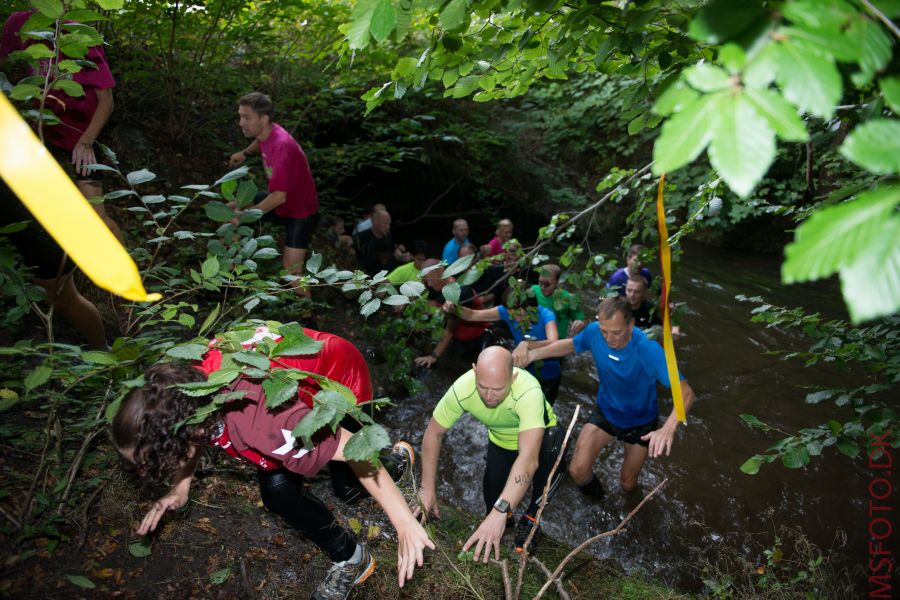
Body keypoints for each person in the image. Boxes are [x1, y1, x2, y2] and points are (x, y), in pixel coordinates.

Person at [112, 326, 434, 599]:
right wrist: (180, 486)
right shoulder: (185, 384)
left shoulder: (259, 420)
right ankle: (352, 558)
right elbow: (190, 430)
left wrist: (403, 521)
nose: (147, 472)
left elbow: (356, 447)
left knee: (346, 487)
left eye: (154, 462)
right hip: (295, 383)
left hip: (339, 381)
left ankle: (395, 460)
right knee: (278, 492)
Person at [514, 297, 695, 497]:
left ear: (631, 324)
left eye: (616, 332)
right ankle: (601, 503)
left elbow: (686, 393)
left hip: (640, 422)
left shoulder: (648, 349)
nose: (609, 339)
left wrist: (667, 429)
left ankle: (632, 511)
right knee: (577, 471)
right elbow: (571, 345)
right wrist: (532, 353)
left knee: (627, 484)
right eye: (604, 331)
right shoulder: (593, 331)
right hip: (607, 411)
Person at [415, 347, 565, 558]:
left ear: (512, 378)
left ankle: (532, 519)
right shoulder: (463, 388)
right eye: (482, 387)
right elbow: (433, 434)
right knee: (492, 500)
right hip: (501, 442)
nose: (488, 396)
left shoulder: (528, 391)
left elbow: (528, 459)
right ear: (475, 371)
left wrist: (501, 510)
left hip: (541, 443)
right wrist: (427, 488)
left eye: (497, 389)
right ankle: (505, 520)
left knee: (549, 458)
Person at [1, 10, 122, 242]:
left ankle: (134, 275)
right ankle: (63, 276)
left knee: (97, 217)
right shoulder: (18, 23)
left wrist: (85, 143)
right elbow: (3, 57)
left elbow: (107, 100)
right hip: (42, 130)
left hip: (83, 134)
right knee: (44, 222)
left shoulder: (79, 34)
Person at [229, 92, 318, 297]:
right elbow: (259, 142)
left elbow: (279, 197)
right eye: (240, 116)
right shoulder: (266, 133)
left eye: (247, 117)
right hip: (280, 200)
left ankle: (308, 316)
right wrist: (244, 153)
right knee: (232, 209)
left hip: (300, 210)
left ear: (264, 118)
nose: (241, 122)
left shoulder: (282, 145)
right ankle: (231, 273)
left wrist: (248, 216)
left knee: (292, 271)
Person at [0, 180, 107, 349]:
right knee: (61, 299)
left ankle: (104, 354)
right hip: (31, 232)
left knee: (64, 300)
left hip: (42, 235)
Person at [444, 293, 562, 405]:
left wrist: (527, 344)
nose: (514, 317)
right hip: (524, 374)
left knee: (543, 417)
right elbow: (472, 315)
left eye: (519, 314)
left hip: (549, 376)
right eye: (510, 312)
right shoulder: (507, 311)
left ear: (531, 307)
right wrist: (454, 308)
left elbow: (554, 343)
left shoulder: (546, 315)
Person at [413, 260, 490, 367]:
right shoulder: (436, 288)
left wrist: (433, 356)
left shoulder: (460, 292)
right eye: (426, 281)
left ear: (442, 273)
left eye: (430, 280)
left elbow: (450, 329)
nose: (429, 284)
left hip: (477, 338)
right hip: (458, 338)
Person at [531, 264, 586, 338]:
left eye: (547, 284)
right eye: (540, 282)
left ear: (557, 283)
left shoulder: (568, 298)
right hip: (536, 337)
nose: (542, 287)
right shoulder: (533, 290)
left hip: (557, 340)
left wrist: (580, 322)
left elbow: (581, 318)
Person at [353, 209, 409, 276]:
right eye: (385, 224)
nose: (388, 227)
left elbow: (394, 251)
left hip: (390, 274)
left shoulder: (387, 236)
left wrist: (401, 257)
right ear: (375, 222)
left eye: (389, 224)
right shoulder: (361, 238)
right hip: (371, 276)